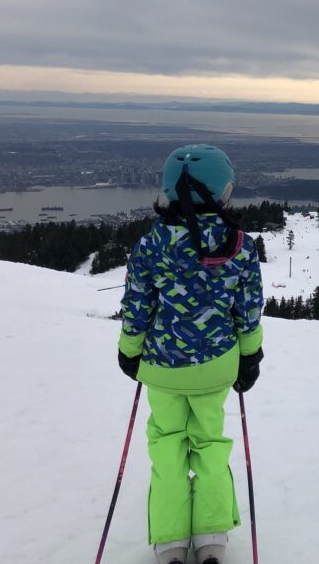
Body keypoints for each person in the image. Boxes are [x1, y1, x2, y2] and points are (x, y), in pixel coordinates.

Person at [117, 144, 264, 564]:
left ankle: (171, 545)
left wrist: (130, 352)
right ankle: (212, 540)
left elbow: (137, 305)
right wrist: (249, 356)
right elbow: (247, 311)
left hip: (161, 367)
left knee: (166, 448)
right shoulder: (239, 245)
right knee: (210, 446)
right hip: (216, 367)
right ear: (226, 192)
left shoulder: (150, 244)